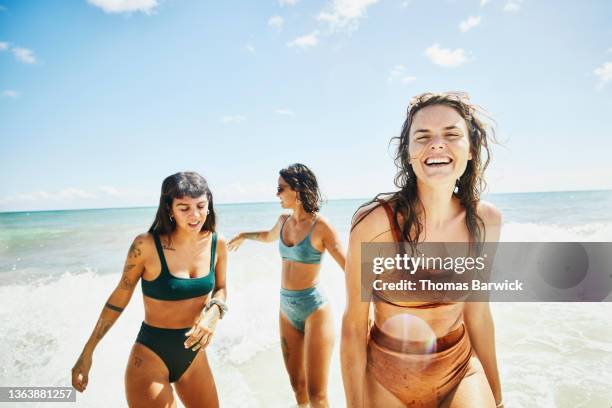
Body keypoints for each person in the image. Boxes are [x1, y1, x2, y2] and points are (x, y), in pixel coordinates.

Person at [341, 92, 504, 408]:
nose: (437, 144)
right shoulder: (375, 224)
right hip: (386, 375)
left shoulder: (486, 220)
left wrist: (497, 397)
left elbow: (478, 314)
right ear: (409, 152)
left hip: (459, 370)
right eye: (423, 136)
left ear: (470, 149)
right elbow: (353, 326)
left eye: (451, 134)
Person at [71, 172, 228, 408]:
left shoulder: (217, 243)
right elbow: (119, 298)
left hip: (194, 357)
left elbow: (221, 288)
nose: (195, 215)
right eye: (184, 208)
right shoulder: (146, 245)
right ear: (169, 209)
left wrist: (214, 312)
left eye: (201, 206)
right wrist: (87, 352)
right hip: (150, 357)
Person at [228, 163, 345, 408]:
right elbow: (267, 237)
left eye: (281, 188)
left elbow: (350, 267)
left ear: (298, 190)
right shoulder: (283, 222)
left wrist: (368, 306)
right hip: (286, 308)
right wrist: (244, 235)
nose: (277, 194)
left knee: (317, 395)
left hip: (314, 309)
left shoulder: (320, 226)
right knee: (297, 388)